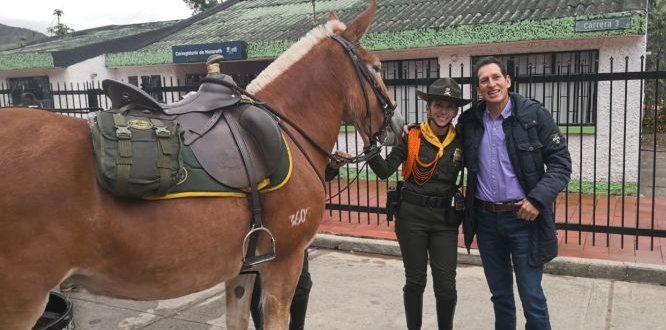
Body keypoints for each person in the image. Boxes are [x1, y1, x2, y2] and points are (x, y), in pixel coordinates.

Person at [457, 56, 572, 330]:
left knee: (531, 296)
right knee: (501, 297)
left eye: (496, 77)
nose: (491, 84)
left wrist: (537, 199)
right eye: (484, 80)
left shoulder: (533, 115)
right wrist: (410, 135)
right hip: (486, 221)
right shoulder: (469, 121)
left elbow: (561, 162)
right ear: (478, 89)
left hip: (524, 220)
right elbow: (446, 149)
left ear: (507, 81)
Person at [367, 78, 470, 330]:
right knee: (415, 282)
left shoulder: (462, 142)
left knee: (446, 286)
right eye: (438, 104)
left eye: (449, 106)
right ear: (428, 107)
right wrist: (370, 147)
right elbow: (385, 170)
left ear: (456, 111)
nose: (443, 111)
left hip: (445, 220)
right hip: (411, 218)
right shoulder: (411, 136)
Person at [250, 151, 350, 330]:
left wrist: (331, 167)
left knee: (302, 284)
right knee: (259, 285)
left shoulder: (292, 140)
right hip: (260, 223)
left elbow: (308, 174)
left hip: (290, 222)